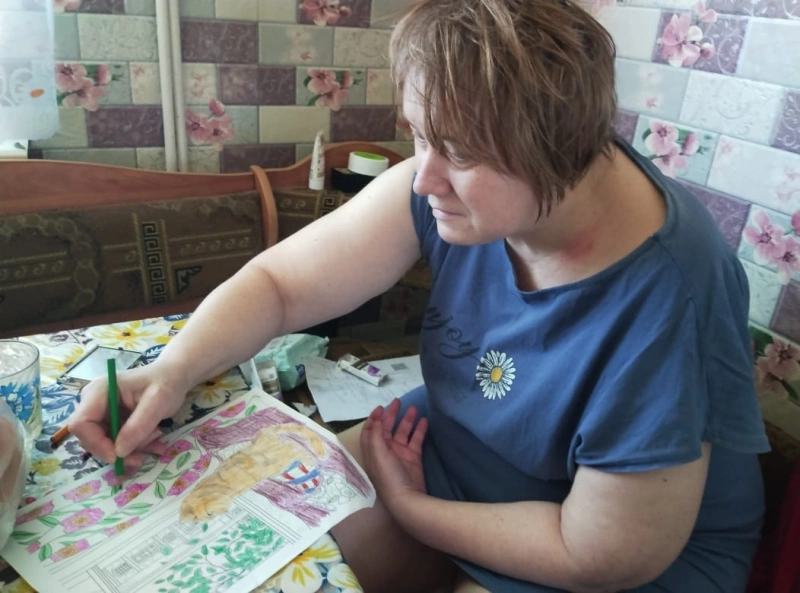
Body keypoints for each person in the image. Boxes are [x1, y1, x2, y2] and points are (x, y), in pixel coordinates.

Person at [69, 0, 772, 591]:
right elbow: (279, 285)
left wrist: (412, 511)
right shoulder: (465, 186)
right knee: (256, 540)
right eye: (420, 135)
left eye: (459, 151)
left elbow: (599, 555)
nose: (423, 177)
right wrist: (170, 371)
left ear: (556, 147)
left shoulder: (669, 295)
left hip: (615, 550)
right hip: (454, 453)